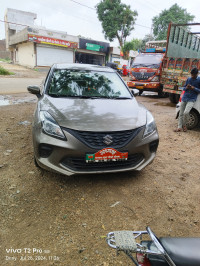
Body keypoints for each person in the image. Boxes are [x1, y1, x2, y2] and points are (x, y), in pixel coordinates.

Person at [174, 67, 200, 132]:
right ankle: (179, 127)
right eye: (191, 75)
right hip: (185, 97)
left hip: (192, 99)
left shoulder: (199, 80)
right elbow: (184, 88)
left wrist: (194, 88)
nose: (192, 76)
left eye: (193, 75)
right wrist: (186, 87)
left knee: (186, 112)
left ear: (197, 74)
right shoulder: (188, 79)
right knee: (181, 113)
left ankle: (185, 125)